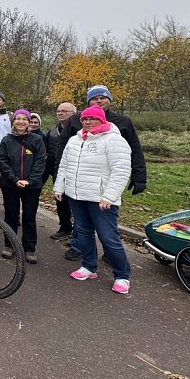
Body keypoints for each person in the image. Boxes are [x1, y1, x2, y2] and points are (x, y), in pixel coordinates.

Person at [61, 85, 147, 261]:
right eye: (94, 98)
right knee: (81, 220)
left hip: (107, 182)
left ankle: (110, 254)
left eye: (102, 97)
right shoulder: (76, 120)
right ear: (88, 102)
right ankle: (78, 247)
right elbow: (63, 150)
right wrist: (60, 176)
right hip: (81, 181)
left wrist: (139, 176)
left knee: (106, 222)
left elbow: (135, 150)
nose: (99, 101)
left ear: (110, 99)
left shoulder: (123, 122)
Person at [54, 105, 133, 294]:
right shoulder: (74, 140)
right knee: (83, 233)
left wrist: (109, 196)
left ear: (102, 120)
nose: (88, 122)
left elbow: (121, 171)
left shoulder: (113, 140)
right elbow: (64, 165)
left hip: (101, 199)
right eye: (85, 119)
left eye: (93, 119)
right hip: (76, 195)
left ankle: (122, 275)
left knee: (108, 237)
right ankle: (89, 267)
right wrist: (59, 186)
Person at [0, 109, 46, 264]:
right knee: (11, 215)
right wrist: (15, 179)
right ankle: (9, 245)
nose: (21, 122)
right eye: (18, 119)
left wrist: (29, 181)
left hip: (32, 186)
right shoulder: (7, 140)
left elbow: (40, 161)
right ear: (13, 122)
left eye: (25, 119)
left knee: (29, 216)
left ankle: (29, 248)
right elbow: (2, 161)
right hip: (10, 184)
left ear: (29, 122)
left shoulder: (37, 139)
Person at [47, 102, 77, 241]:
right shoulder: (53, 131)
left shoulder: (79, 131)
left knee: (76, 203)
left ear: (74, 113)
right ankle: (65, 227)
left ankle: (77, 233)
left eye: (64, 111)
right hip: (57, 171)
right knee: (61, 201)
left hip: (75, 172)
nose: (60, 113)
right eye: (58, 111)